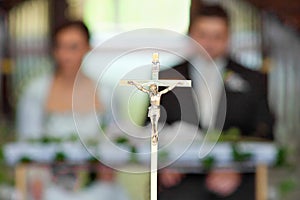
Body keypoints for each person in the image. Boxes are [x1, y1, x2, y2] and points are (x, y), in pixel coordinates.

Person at [157, 4, 274, 200]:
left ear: (228, 38)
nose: (209, 43)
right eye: (202, 34)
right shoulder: (167, 77)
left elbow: (264, 130)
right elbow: (149, 128)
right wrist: (165, 162)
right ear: (190, 34)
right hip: (181, 176)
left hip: (236, 178)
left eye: (217, 36)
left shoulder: (252, 79)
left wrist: (236, 167)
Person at [16, 21, 128, 200]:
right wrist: (36, 179)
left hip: (96, 186)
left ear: (87, 48)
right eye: (61, 47)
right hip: (48, 188)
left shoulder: (106, 93)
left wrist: (108, 169)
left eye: (73, 47)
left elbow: (117, 138)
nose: (65, 55)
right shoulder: (36, 92)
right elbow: (28, 143)